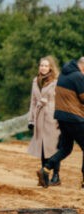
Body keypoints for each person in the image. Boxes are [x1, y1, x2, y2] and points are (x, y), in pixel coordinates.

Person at [40, 56, 84, 188]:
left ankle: (46, 169)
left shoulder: (64, 75)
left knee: (65, 148)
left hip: (62, 117)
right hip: (74, 118)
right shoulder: (78, 76)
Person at [28, 56, 61, 185]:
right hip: (39, 117)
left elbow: (60, 100)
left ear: (51, 68)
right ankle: (44, 176)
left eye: (46, 66)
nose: (43, 68)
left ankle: (56, 175)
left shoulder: (56, 82)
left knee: (53, 147)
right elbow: (33, 101)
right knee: (42, 147)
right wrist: (31, 120)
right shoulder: (35, 81)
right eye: (41, 65)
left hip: (52, 117)